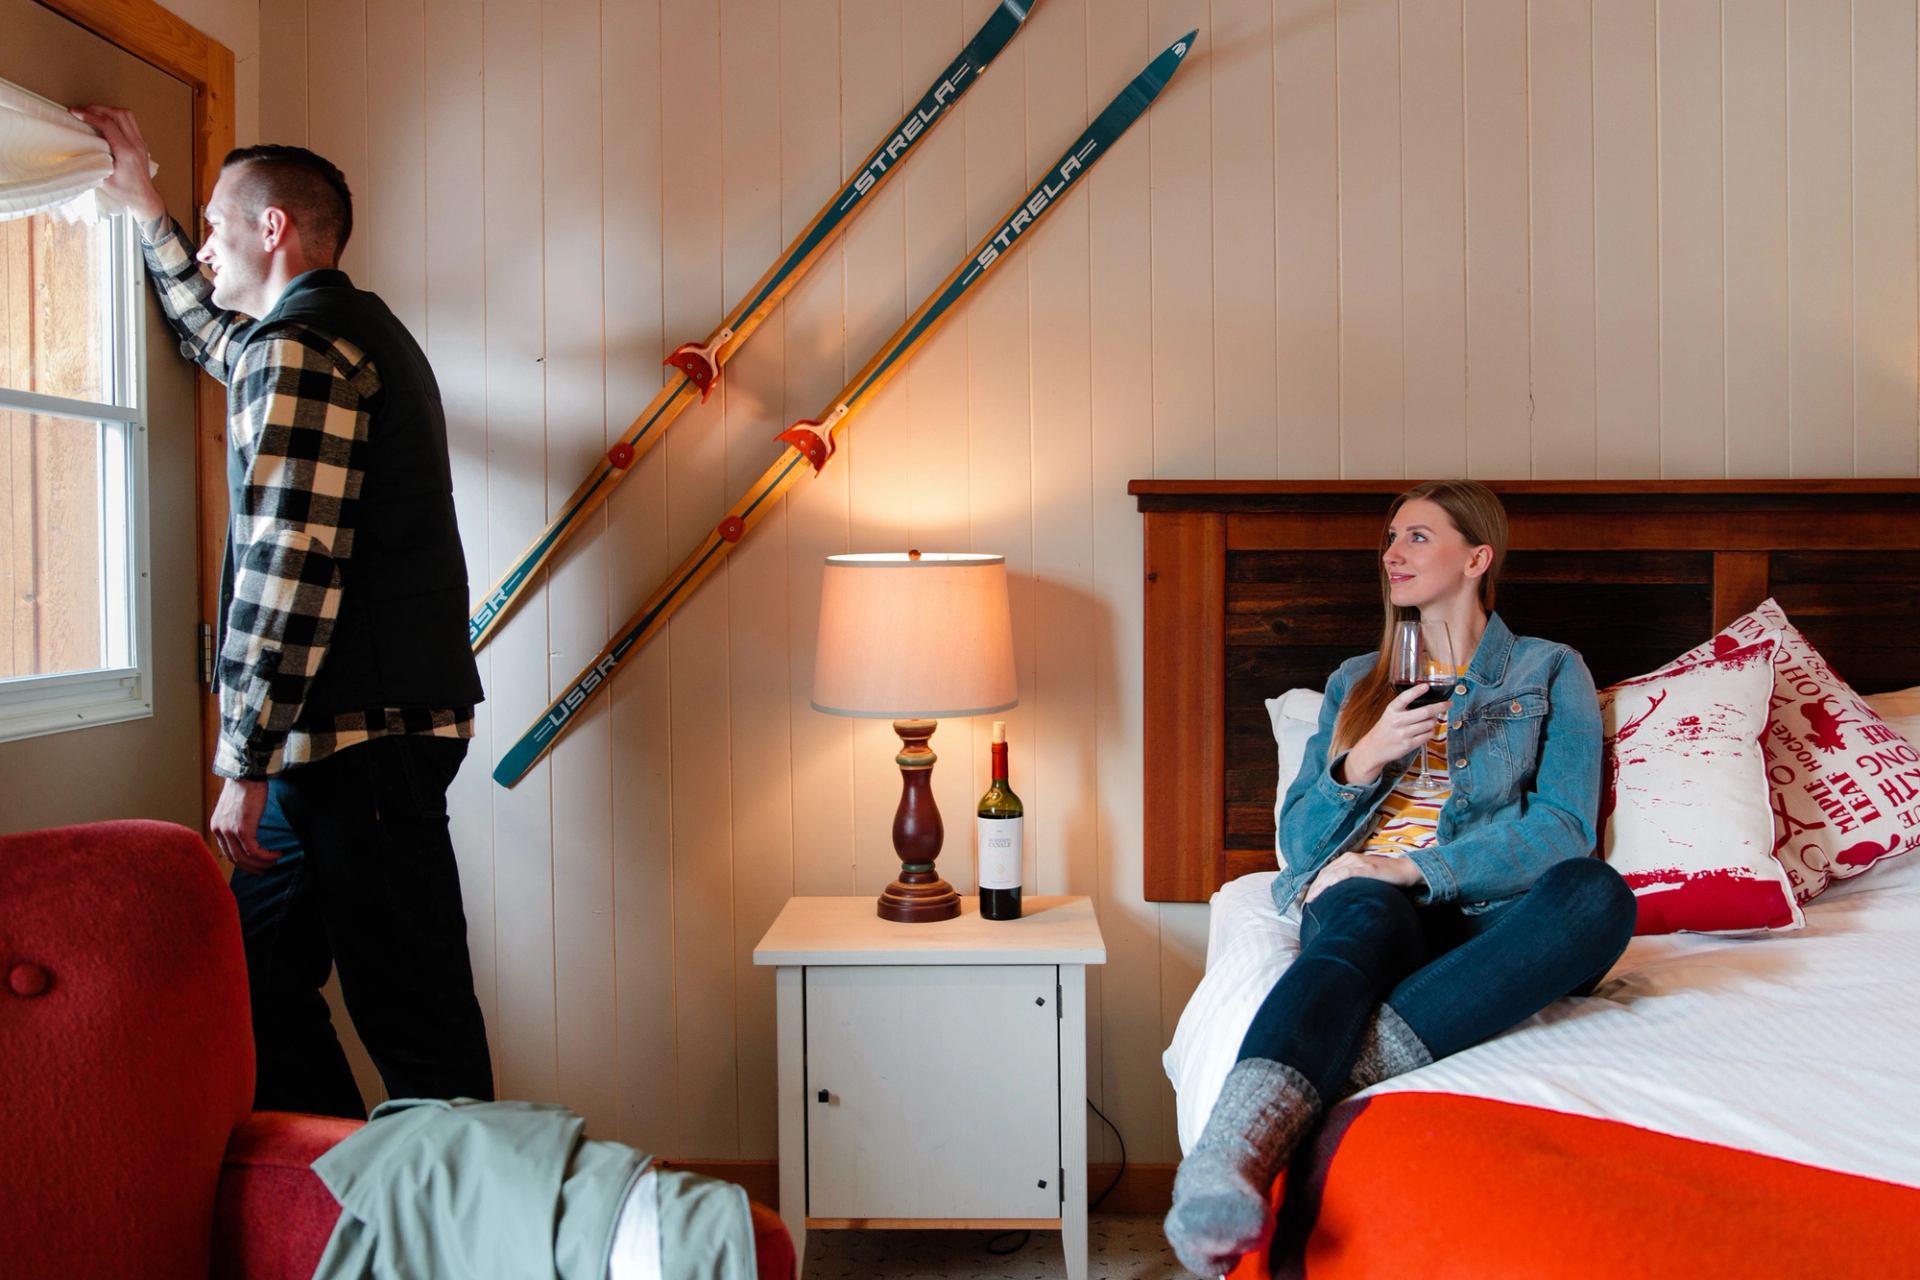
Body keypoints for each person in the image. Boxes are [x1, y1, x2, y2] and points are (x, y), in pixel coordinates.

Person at [74, 106, 493, 1119]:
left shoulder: (306, 350)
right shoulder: (330, 338)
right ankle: (346, 1192)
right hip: (342, 744)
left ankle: (471, 1242)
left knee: (417, 1021)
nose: (205, 244)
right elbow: (217, 337)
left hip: (359, 745)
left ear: (275, 231)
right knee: (255, 982)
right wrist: (147, 213)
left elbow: (285, 570)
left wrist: (240, 760)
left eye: (217, 224)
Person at [1163, 479, 1636, 1276]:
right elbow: (1300, 841)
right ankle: (1231, 1151)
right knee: (1366, 906)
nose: (1392, 553)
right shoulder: (1358, 681)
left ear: (1477, 558)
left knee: (1599, 897)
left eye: (1417, 536)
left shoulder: (1550, 670)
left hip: (1488, 909)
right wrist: (1363, 756)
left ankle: (1310, 1078)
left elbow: (1564, 831)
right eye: (1390, 537)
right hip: (1367, 904)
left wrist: (1415, 866)